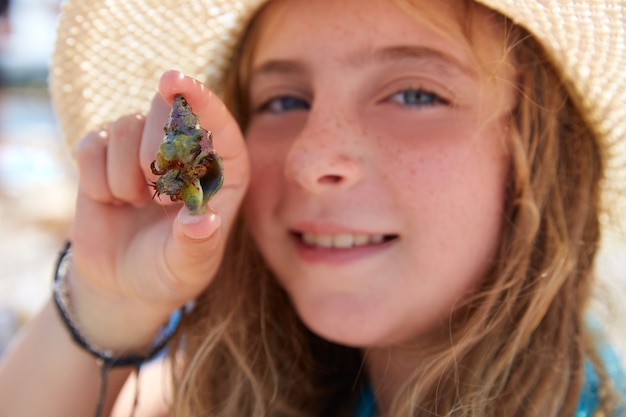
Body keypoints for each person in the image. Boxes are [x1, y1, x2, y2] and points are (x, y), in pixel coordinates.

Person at [0, 0, 625, 416]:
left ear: (539, 155)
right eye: (282, 101)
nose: (309, 157)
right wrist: (109, 303)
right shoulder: (238, 379)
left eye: (414, 93)